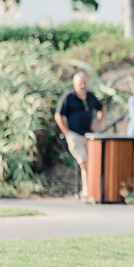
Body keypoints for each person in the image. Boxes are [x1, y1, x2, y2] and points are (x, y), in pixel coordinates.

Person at [55, 71, 106, 199]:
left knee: (92, 163)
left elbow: (102, 108)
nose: (82, 86)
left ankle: (92, 190)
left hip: (89, 135)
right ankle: (87, 191)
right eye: (80, 83)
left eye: (84, 83)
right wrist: (67, 132)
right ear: (74, 84)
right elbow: (58, 115)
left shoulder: (90, 97)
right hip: (75, 135)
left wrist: (98, 122)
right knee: (84, 162)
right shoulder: (69, 97)